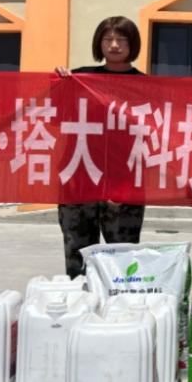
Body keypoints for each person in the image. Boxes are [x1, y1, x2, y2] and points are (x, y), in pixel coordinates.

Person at [54, 16, 146, 278]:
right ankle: (81, 299)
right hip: (79, 177)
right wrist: (58, 82)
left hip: (124, 182)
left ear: (133, 44)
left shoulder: (146, 86)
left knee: (123, 258)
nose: (114, 45)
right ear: (99, 43)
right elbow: (53, 116)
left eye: (122, 39)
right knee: (78, 254)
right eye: (108, 39)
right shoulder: (79, 78)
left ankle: (118, 302)